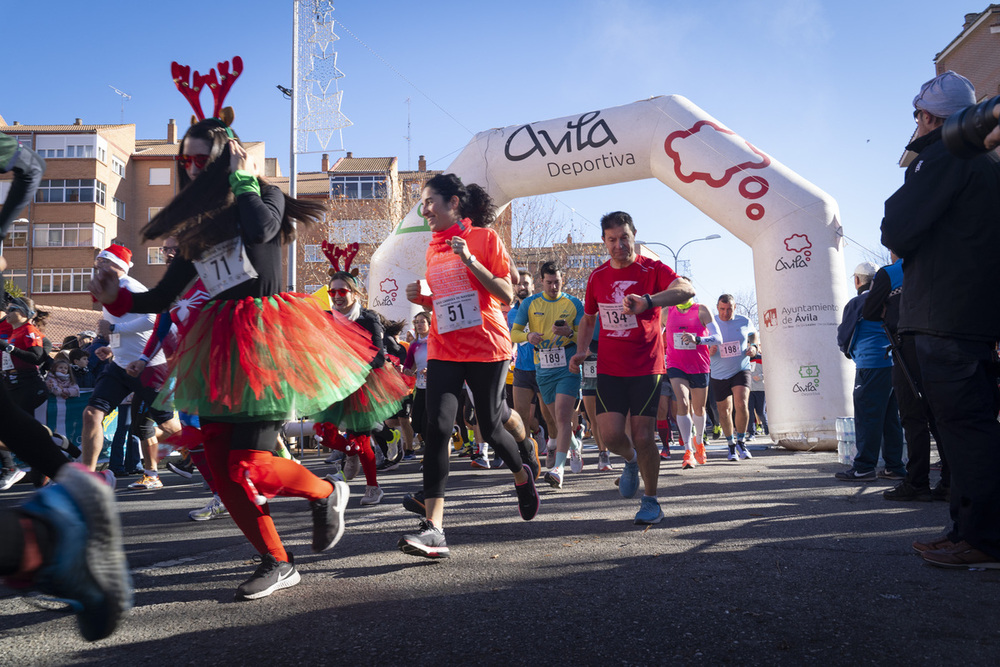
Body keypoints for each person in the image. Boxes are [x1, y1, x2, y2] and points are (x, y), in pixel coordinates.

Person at [89, 69, 371, 598]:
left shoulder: (262, 195)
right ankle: (276, 560)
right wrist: (114, 297)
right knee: (219, 469)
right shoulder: (195, 230)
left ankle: (327, 489)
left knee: (247, 463)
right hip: (217, 348)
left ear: (227, 157)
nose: (193, 169)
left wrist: (242, 176)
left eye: (204, 159)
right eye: (187, 161)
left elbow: (263, 230)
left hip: (265, 340)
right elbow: (156, 299)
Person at [882, 71, 1000, 569]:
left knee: (966, 430)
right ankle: (965, 530)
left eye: (918, 117)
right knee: (963, 429)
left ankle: (984, 540)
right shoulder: (984, 163)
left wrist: (917, 161)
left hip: (946, 319)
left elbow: (898, 228)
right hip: (968, 316)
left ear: (928, 118)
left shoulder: (950, 156)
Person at [398, 173, 539, 559]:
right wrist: (423, 298)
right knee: (437, 426)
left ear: (453, 203)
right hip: (445, 346)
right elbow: (446, 301)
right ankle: (435, 529)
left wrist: (470, 259)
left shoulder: (484, 239)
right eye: (422, 203)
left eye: (430, 202)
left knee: (491, 426)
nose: (424, 209)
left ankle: (521, 474)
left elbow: (506, 293)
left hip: (486, 346)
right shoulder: (432, 248)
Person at [569, 211, 695, 525]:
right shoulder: (597, 276)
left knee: (643, 435)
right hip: (610, 368)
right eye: (612, 239)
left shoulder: (652, 269)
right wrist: (582, 350)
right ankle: (631, 461)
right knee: (610, 436)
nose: (618, 245)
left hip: (646, 367)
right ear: (604, 242)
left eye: (624, 237)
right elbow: (588, 319)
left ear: (634, 234)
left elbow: (686, 289)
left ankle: (651, 501)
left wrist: (649, 302)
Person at [311, 262, 409, 507]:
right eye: (332, 292)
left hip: (363, 385)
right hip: (334, 384)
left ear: (354, 294)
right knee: (323, 434)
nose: (336, 296)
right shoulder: (327, 318)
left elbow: (378, 357)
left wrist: (351, 364)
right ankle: (352, 452)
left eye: (342, 291)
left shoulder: (368, 318)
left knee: (361, 439)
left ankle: (373, 488)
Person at [79, 244, 178, 488]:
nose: (99, 266)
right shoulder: (108, 290)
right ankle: (88, 478)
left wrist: (114, 330)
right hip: (119, 366)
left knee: (163, 424)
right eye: (98, 262)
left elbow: (152, 319)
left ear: (119, 266)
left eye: (105, 262)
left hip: (150, 367)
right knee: (92, 413)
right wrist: (112, 346)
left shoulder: (132, 287)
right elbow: (125, 326)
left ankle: (203, 449)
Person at [511, 261, 584, 489]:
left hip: (568, 368)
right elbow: (514, 333)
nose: (554, 287)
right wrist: (528, 336)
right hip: (542, 369)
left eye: (558, 282)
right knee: (555, 419)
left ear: (563, 280)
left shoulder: (573, 303)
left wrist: (570, 332)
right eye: (549, 282)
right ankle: (573, 444)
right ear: (541, 281)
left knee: (562, 417)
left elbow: (585, 336)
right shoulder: (531, 304)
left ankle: (558, 470)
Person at [834, 262, 905, 482]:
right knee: (890, 418)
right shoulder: (890, 298)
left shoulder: (856, 303)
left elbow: (843, 336)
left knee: (867, 418)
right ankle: (894, 466)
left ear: (857, 281)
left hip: (870, 364)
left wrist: (849, 352)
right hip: (893, 364)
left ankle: (864, 467)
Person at [1, 296, 50, 490]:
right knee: (25, 434)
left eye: (12, 309)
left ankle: (56, 464)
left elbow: (36, 358)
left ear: (23, 313)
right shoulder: (15, 331)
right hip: (13, 385)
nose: (8, 312)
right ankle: (42, 473)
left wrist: (8, 348)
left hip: (29, 386)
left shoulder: (28, 330)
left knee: (27, 433)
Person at [703, 295, 757, 461]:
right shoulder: (710, 323)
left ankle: (741, 441)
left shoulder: (744, 320)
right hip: (719, 373)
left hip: (741, 368)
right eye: (722, 309)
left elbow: (753, 334)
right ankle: (731, 445)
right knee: (724, 411)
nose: (725, 313)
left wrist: (753, 346)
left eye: (729, 309)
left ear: (735, 308)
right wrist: (708, 349)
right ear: (717, 308)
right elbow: (701, 343)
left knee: (741, 403)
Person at [667, 294, 715, 467]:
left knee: (699, 409)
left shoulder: (701, 310)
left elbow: (718, 338)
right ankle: (688, 451)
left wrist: (699, 339)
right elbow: (655, 333)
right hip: (675, 365)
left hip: (699, 366)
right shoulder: (667, 311)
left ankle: (699, 442)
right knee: (683, 403)